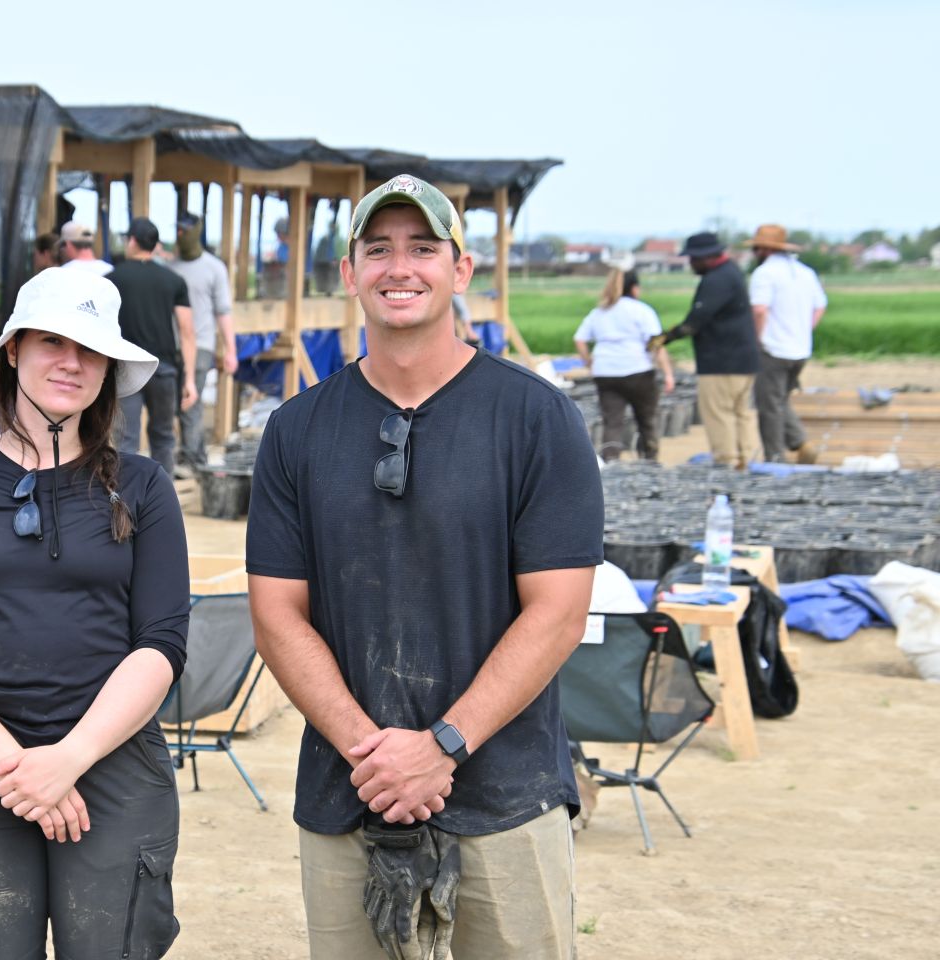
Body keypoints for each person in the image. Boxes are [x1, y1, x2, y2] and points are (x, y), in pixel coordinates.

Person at [247, 173, 603, 959]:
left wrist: (440, 744)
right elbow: (277, 616)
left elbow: (558, 613)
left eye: (422, 248)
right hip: (351, 789)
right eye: (377, 249)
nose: (398, 267)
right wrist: (371, 751)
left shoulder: (535, 418)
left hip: (505, 794)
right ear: (348, 275)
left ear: (460, 270)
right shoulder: (297, 432)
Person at [0, 266, 189, 959]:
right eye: (52, 340)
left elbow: (161, 644)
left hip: (113, 761)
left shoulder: (142, 487)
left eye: (89, 348)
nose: (71, 361)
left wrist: (69, 760)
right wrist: (15, 766)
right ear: (14, 350)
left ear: (108, 368)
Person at [653, 231, 761, 469]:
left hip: (722, 362)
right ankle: (747, 460)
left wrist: (665, 338)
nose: (691, 263)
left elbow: (696, 321)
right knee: (741, 413)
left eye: (693, 258)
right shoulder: (732, 272)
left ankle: (727, 462)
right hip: (744, 360)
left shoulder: (716, 279)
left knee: (719, 413)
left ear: (708, 257)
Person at [108, 216, 197, 476]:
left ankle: (123, 504)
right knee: (163, 439)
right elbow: (187, 330)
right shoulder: (173, 280)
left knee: (125, 443)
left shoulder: (112, 279)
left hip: (125, 370)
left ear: (133, 241)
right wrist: (189, 379)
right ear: (155, 245)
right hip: (164, 369)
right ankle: (162, 502)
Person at [574, 267, 675, 461]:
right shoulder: (642, 311)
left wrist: (589, 362)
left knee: (612, 423)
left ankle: (610, 464)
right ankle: (649, 462)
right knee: (646, 421)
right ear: (635, 288)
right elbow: (656, 344)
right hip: (638, 372)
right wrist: (668, 373)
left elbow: (579, 339)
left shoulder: (599, 312)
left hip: (605, 373)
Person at [745, 224, 827, 463]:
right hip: (800, 349)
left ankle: (775, 456)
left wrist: (757, 339)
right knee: (780, 399)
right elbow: (820, 305)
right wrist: (805, 329)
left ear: (763, 249)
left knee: (768, 405)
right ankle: (801, 443)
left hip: (773, 348)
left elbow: (759, 309)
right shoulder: (805, 272)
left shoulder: (765, 274)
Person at [167, 211, 237, 473]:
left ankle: (193, 459)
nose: (180, 236)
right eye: (178, 231)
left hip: (202, 344)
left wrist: (231, 350)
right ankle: (188, 454)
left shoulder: (214, 268)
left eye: (185, 231)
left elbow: (223, 311)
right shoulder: (171, 268)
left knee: (191, 401)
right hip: (171, 345)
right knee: (174, 402)